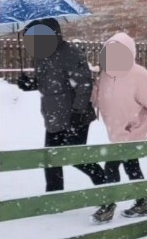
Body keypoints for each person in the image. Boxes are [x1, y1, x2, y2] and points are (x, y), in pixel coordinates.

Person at [15, 19, 107, 194]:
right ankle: (54, 197)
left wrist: (78, 111)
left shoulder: (70, 53)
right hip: (54, 117)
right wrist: (30, 84)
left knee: (76, 158)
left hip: (74, 116)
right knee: (51, 159)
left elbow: (84, 84)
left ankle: (105, 188)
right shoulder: (42, 56)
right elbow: (50, 83)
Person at [92, 32, 147, 222]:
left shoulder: (138, 75)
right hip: (116, 131)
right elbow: (99, 97)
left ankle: (108, 205)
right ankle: (143, 202)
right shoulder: (105, 74)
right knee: (132, 167)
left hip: (133, 129)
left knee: (111, 168)